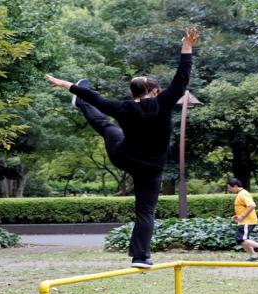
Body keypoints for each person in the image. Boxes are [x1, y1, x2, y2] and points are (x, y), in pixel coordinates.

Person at [45, 27, 199, 268]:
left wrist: (67, 85)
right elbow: (182, 77)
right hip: (151, 169)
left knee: (107, 127)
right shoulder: (165, 102)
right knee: (145, 212)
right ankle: (140, 257)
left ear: (132, 93)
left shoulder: (123, 108)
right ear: (156, 91)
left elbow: (97, 98)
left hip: (124, 156)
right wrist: (187, 46)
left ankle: (79, 103)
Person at [228, 178, 258, 261]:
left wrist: (242, 216)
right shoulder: (240, 194)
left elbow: (252, 205)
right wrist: (237, 216)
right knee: (240, 239)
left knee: (241, 239)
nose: (229, 190)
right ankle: (254, 256)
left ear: (236, 186)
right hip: (244, 221)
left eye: (230, 188)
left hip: (247, 221)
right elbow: (244, 207)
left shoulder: (243, 194)